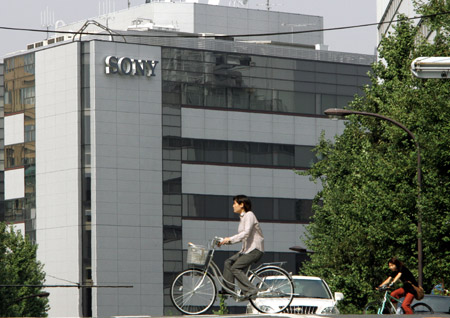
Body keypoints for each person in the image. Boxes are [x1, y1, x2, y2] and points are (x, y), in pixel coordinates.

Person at [218, 195, 264, 299]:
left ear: (242, 204)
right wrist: (225, 241)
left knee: (235, 268)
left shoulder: (249, 215)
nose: (233, 205)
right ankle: (228, 290)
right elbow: (241, 237)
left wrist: (229, 239)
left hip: (255, 249)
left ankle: (251, 290)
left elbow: (246, 233)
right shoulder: (243, 217)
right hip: (246, 250)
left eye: (235, 203)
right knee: (228, 262)